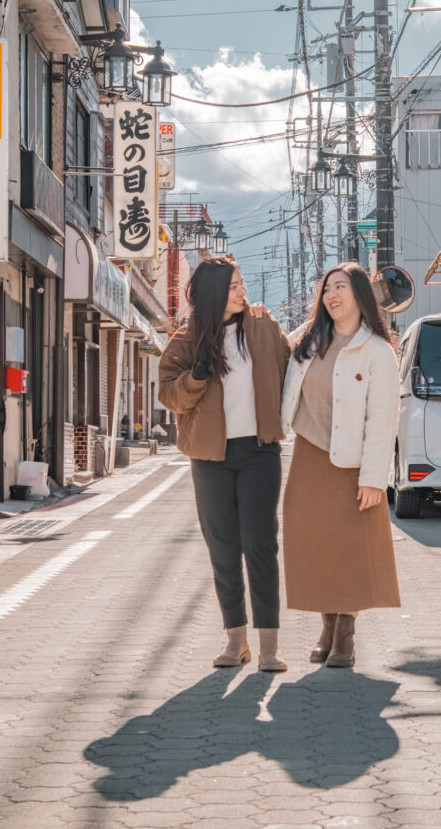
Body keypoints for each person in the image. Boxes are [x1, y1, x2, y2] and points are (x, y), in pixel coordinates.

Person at [158, 258, 290, 672]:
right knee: (223, 548)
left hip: (259, 450)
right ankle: (236, 641)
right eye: (233, 285)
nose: (242, 290)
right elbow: (169, 395)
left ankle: (269, 646)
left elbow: (293, 368)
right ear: (215, 291)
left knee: (261, 545)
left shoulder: (264, 326)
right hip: (210, 455)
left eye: (242, 282)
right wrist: (196, 377)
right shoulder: (189, 338)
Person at [281, 262, 401, 668]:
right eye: (327, 288)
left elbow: (383, 421)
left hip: (352, 462)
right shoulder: (309, 341)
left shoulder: (378, 351)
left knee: (349, 547)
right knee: (314, 544)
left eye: (340, 288)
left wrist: (374, 479)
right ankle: (327, 627)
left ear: (359, 295)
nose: (331, 295)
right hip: (308, 453)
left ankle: (345, 635)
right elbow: (274, 347)